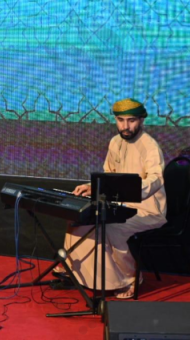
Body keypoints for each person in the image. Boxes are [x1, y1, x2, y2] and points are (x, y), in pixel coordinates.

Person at [60, 98, 167, 299]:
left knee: (112, 227)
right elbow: (109, 175)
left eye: (131, 120)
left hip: (148, 210)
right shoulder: (115, 142)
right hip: (120, 206)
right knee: (80, 219)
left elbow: (156, 179)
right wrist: (91, 187)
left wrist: (130, 191)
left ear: (141, 120)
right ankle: (76, 270)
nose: (125, 126)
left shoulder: (150, 146)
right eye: (120, 120)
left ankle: (131, 278)